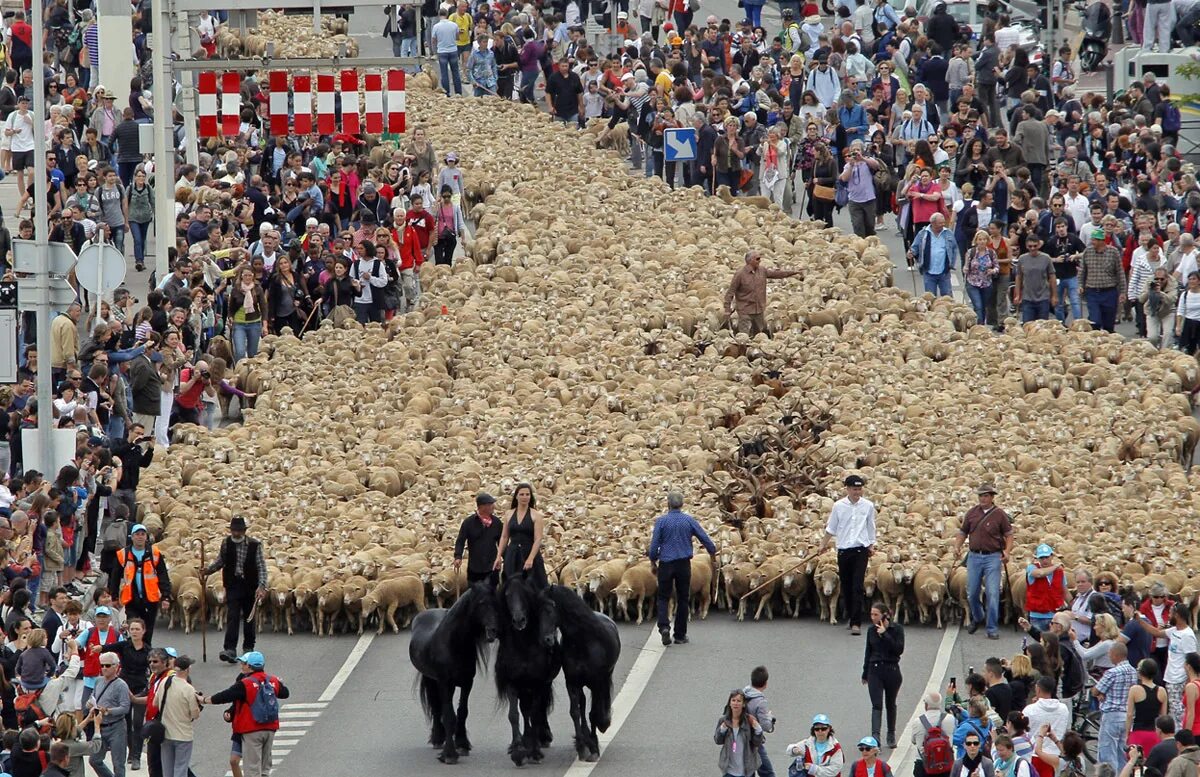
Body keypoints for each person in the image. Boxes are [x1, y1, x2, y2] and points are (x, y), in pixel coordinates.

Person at [203, 651, 290, 777]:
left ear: (250, 666)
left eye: (243, 663)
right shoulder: (272, 680)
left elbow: (224, 696)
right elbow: (285, 693)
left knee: (252, 770)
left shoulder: (245, 683)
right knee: (264, 770)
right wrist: (280, 683)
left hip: (252, 729)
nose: (241, 666)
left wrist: (205, 700)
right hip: (270, 728)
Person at [648, 491, 717, 647]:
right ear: (682, 504)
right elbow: (704, 538)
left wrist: (653, 560)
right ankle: (680, 634)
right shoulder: (688, 520)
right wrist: (712, 553)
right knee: (683, 598)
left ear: (668, 504)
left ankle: (664, 626)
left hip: (666, 563)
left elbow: (654, 546)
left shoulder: (661, 521)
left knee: (664, 597)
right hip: (683, 564)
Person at [203, 515, 267, 664]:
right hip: (233, 584)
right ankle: (230, 649)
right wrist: (207, 571)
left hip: (250, 585)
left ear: (244, 531)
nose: (236, 533)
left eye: (239, 530)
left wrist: (262, 586)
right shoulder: (226, 543)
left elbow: (261, 566)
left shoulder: (254, 545)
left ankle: (248, 647)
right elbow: (220, 561)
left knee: (249, 618)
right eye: (234, 530)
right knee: (232, 616)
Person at [819, 474, 876, 635]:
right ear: (847, 489)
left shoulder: (868, 506)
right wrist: (823, 544)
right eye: (854, 489)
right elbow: (831, 527)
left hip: (860, 549)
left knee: (858, 586)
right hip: (843, 550)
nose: (857, 492)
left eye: (859, 489)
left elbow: (870, 526)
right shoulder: (838, 506)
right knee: (846, 585)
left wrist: (871, 544)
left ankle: (856, 622)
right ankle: (851, 616)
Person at [953, 483, 1012, 640]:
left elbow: (1009, 535)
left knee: (993, 593)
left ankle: (992, 627)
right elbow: (963, 532)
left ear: (992, 497)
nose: (983, 498)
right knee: (972, 592)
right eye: (980, 495)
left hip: (993, 557)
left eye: (986, 495)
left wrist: (1007, 551)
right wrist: (957, 546)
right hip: (974, 556)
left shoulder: (999, 514)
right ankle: (978, 616)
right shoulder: (972, 513)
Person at [108, 523, 171, 646]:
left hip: (150, 598)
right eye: (137, 534)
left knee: (147, 631)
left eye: (143, 534)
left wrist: (166, 596)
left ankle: (146, 655)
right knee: (135, 629)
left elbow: (163, 575)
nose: (140, 537)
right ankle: (134, 654)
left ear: (146, 537)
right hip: (132, 598)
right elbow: (114, 576)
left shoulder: (154, 553)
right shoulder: (123, 554)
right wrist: (114, 596)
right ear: (132, 537)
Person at [723, 250, 802, 337]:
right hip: (745, 310)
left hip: (759, 310)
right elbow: (731, 292)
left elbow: (776, 274)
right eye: (757, 259)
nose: (759, 261)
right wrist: (727, 309)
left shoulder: (762, 270)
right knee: (744, 335)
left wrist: (793, 272)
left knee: (759, 335)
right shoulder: (740, 274)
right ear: (750, 260)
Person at [863, 602, 905, 748]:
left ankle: (891, 734)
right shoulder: (870, 631)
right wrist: (865, 673)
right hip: (875, 670)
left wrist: (885, 634)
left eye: (876, 614)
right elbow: (868, 651)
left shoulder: (897, 629)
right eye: (871, 614)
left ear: (885, 615)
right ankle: (875, 736)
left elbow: (898, 649)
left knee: (890, 703)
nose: (873, 617)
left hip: (892, 670)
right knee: (877, 705)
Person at [493, 483, 548, 588]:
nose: (524, 497)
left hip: (529, 552)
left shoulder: (536, 515)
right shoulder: (509, 514)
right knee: (509, 586)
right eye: (522, 494)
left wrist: (530, 558)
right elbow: (504, 537)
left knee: (537, 587)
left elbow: (538, 539)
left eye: (527, 494)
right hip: (512, 554)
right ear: (516, 496)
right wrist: (498, 555)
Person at [154, 654, 200, 777]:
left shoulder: (165, 681)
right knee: (181, 768)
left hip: (166, 732)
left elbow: (155, 703)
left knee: (167, 770)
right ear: (187, 669)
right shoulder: (188, 689)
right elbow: (195, 714)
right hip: (183, 734)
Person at [1095, 642, 1138, 773]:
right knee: (1122, 753)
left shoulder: (1112, 673)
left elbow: (1096, 691)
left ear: (1115, 654)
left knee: (1107, 753)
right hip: (1127, 715)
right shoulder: (1134, 671)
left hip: (1112, 715)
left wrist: (1101, 693)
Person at [88, 652, 131, 777]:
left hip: (116, 727)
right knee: (94, 760)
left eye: (107, 665)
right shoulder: (98, 681)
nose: (104, 669)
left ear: (116, 667)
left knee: (118, 763)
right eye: (102, 666)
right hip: (101, 726)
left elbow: (125, 707)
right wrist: (90, 705)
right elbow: (92, 697)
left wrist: (107, 711)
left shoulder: (121, 685)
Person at [1080, 228, 1127, 333]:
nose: (1092, 242)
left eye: (1095, 240)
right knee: (1095, 321)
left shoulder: (1113, 252)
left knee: (1109, 324)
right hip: (1092, 292)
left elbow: (1120, 273)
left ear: (1102, 241)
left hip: (1109, 292)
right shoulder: (1087, 252)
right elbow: (1082, 271)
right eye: (1092, 239)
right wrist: (1080, 285)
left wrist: (1123, 292)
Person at [1023, 677, 1070, 777]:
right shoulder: (1063, 709)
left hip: (1034, 755)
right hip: (1055, 755)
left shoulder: (1029, 710)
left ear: (1038, 689)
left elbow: (1025, 730)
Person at [453, 492, 502, 587]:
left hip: (491, 565)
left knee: (490, 593)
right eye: (490, 504)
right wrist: (458, 556)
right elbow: (460, 541)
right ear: (482, 507)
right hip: (474, 566)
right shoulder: (469, 523)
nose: (493, 506)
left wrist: (507, 559)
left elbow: (502, 542)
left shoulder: (496, 523)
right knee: (475, 594)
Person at [908, 213, 960, 297]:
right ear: (932, 223)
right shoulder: (922, 233)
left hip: (944, 272)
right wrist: (911, 253)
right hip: (928, 272)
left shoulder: (948, 233)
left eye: (943, 222)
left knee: (947, 298)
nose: (943, 225)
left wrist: (951, 264)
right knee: (930, 298)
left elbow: (954, 248)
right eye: (940, 223)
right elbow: (915, 247)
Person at [715, 689, 764, 777]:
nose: (735, 703)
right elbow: (718, 740)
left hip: (747, 770)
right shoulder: (724, 720)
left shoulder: (749, 720)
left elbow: (757, 742)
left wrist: (758, 730)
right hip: (729, 770)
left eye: (739, 701)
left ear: (743, 704)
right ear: (729, 703)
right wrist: (722, 729)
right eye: (733, 700)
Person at [1164, 605, 1197, 727]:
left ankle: (1181, 736)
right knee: (1174, 710)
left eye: (1170, 613)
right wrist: (1140, 621)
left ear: (1177, 615)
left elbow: (1192, 660)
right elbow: (1156, 632)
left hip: (1179, 680)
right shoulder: (1173, 631)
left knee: (1178, 711)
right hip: (1171, 678)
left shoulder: (1187, 635)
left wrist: (1188, 682)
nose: (1168, 616)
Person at [909, 692, 955, 777]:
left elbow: (913, 741)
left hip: (924, 764)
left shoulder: (918, 722)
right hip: (945, 764)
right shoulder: (950, 719)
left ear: (926, 705)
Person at [1013, 234, 1058, 322]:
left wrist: (1054, 296)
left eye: (1035, 246)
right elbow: (1018, 277)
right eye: (1030, 246)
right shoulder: (1022, 259)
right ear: (1026, 246)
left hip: (1043, 298)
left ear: (1039, 245)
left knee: (1042, 327)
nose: (1033, 248)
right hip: (1027, 298)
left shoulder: (1046, 258)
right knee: (1027, 326)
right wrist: (1017, 295)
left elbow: (1052, 277)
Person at [1129, 659, 1170, 754]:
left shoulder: (1135, 690)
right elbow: (1163, 716)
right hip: (1154, 733)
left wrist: (1126, 733)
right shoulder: (1162, 691)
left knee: (1135, 764)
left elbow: (1129, 715)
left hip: (1138, 732)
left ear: (1141, 672)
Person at [1024, 544, 1066, 633]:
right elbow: (1039, 574)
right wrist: (1055, 566)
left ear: (1052, 556)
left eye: (1047, 557)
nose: (1044, 560)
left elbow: (1064, 591)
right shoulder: (1032, 568)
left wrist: (1072, 606)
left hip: (1055, 616)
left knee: (1054, 644)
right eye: (1042, 558)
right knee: (1040, 643)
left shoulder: (1059, 572)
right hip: (1037, 616)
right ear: (1037, 558)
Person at [744, 666, 776, 777]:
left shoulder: (742, 694)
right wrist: (769, 718)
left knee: (748, 771)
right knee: (767, 772)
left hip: (740, 738)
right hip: (754, 740)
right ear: (765, 683)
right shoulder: (760, 702)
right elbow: (766, 726)